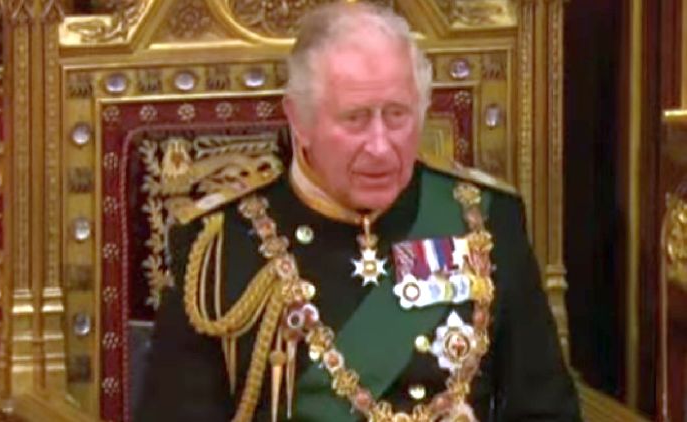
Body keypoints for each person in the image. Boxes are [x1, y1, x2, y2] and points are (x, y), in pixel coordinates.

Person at [136, 2, 581, 421]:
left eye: (397, 115)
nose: (381, 145)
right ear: (299, 121)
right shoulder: (220, 245)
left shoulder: (484, 219)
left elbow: (544, 409)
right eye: (355, 119)